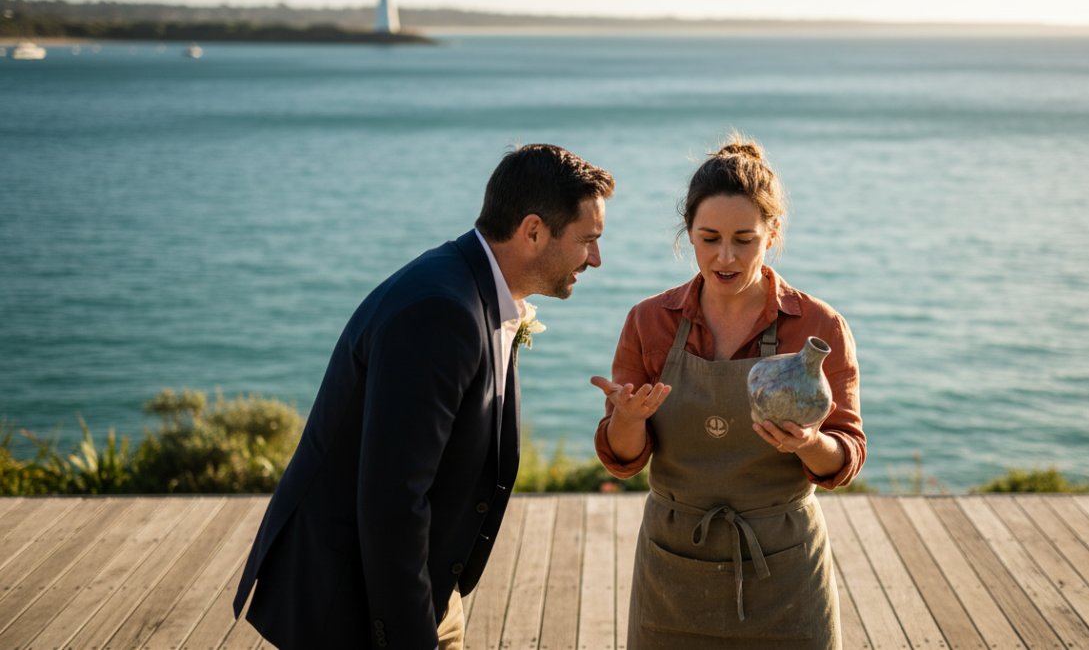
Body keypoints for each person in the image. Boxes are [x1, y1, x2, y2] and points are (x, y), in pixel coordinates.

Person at [233, 144, 615, 649]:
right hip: (355, 605)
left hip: (420, 588)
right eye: (588, 240)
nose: (596, 259)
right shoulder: (442, 311)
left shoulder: (478, 288)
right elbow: (392, 500)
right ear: (532, 231)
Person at [592, 135, 864, 649]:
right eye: (709, 237)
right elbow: (623, 461)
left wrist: (808, 443)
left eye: (745, 239)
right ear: (688, 233)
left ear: (773, 233)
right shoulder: (650, 322)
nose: (725, 256)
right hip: (673, 567)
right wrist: (626, 420)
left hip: (783, 568)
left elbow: (845, 458)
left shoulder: (815, 325)